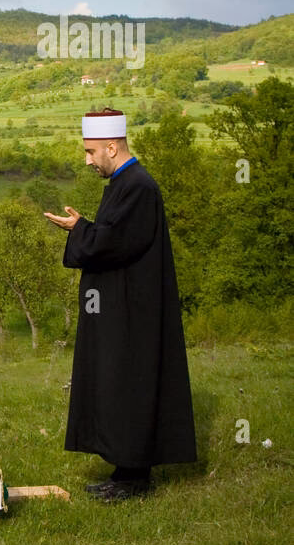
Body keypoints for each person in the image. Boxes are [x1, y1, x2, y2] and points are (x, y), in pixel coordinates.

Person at [44, 108, 197, 500]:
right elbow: (115, 235)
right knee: (118, 384)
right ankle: (124, 471)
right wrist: (84, 227)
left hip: (135, 312)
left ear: (112, 147)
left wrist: (81, 229)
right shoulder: (123, 182)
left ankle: (134, 480)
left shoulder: (140, 186)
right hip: (121, 307)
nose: (87, 160)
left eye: (92, 152)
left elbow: (116, 244)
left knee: (130, 385)